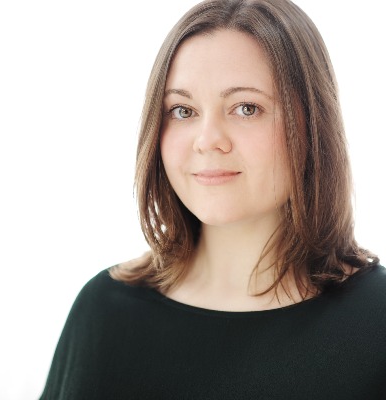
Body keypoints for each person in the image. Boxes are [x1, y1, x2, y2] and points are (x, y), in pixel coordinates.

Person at [40, 0, 386, 398]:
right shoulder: (105, 312)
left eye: (246, 108)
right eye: (183, 110)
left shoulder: (377, 323)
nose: (207, 141)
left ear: (313, 123)